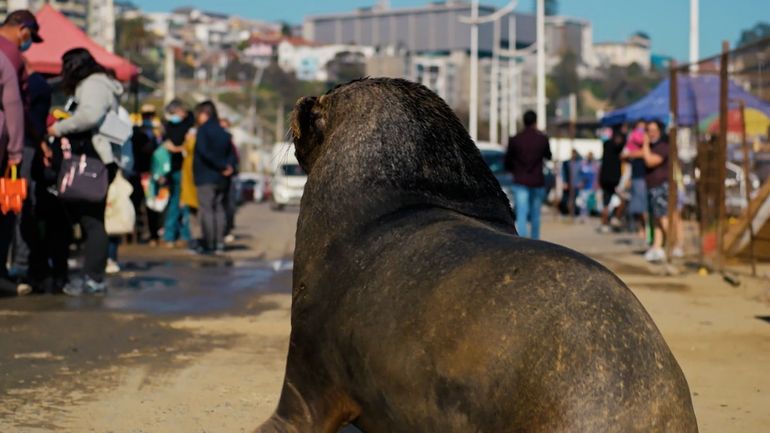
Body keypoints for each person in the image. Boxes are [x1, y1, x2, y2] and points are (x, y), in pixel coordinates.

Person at [48, 48, 124, 296]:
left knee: (89, 222)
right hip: (98, 160)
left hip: (88, 160)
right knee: (92, 221)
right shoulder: (103, 84)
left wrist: (59, 128)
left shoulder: (92, 85)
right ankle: (92, 276)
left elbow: (89, 116)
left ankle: (92, 277)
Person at [0, 10, 41, 296]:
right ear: (22, 29)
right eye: (30, 36)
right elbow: (15, 105)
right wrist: (15, 151)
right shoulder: (9, 55)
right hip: (6, 147)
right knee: (7, 211)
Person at [193, 101, 234, 254]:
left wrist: (220, 166)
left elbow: (203, 152)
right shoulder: (223, 132)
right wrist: (228, 167)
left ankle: (209, 243)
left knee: (207, 210)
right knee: (219, 209)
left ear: (204, 114)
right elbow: (231, 153)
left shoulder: (203, 130)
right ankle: (220, 243)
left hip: (206, 176)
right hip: (222, 178)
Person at [505, 110, 552, 239]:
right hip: (537, 181)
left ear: (524, 122)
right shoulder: (542, 139)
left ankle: (523, 241)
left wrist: (513, 170)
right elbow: (548, 156)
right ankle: (535, 240)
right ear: (536, 122)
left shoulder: (515, 139)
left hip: (520, 180)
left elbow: (508, 160)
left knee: (522, 213)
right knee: (535, 214)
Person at [161, 99, 194, 248]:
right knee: (175, 203)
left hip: (185, 169)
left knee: (184, 204)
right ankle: (172, 235)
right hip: (173, 169)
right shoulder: (169, 125)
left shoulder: (190, 123)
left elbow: (188, 145)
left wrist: (178, 148)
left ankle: (182, 235)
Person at [642, 120, 670, 263]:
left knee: (663, 218)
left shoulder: (663, 146)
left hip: (661, 186)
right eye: (648, 130)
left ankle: (672, 244)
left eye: (653, 129)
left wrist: (645, 144)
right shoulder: (654, 146)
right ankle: (657, 246)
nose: (650, 133)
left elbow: (650, 161)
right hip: (653, 186)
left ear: (660, 130)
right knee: (657, 219)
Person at [623, 120, 649, 242]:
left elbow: (644, 154)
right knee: (637, 207)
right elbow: (624, 156)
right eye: (639, 128)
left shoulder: (648, 142)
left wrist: (634, 154)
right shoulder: (631, 141)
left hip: (644, 177)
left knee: (644, 208)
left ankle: (646, 231)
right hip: (635, 176)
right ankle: (642, 229)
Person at [598, 127, 625, 232]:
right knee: (622, 200)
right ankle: (614, 218)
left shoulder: (606, 144)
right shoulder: (618, 148)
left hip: (604, 179)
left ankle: (606, 223)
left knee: (606, 203)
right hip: (614, 180)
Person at [577, 152, 599, 222]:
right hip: (583, 186)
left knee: (589, 202)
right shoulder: (583, 164)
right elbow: (579, 174)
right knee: (582, 202)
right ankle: (582, 215)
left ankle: (586, 215)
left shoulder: (595, 165)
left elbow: (596, 176)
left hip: (591, 186)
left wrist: (596, 185)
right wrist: (580, 182)